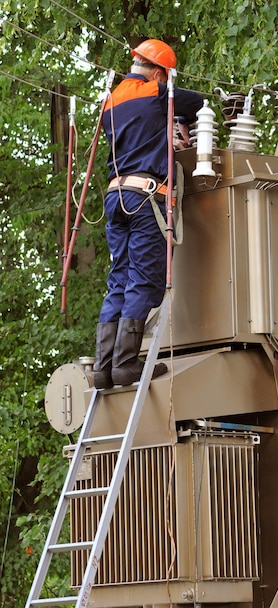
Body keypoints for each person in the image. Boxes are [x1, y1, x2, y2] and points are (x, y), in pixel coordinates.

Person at [93, 39, 203, 389]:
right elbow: (196, 101)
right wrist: (179, 119)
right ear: (158, 73)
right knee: (143, 278)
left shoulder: (111, 100)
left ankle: (103, 367)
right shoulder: (155, 92)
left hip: (116, 195)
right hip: (144, 198)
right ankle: (126, 365)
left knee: (119, 279)